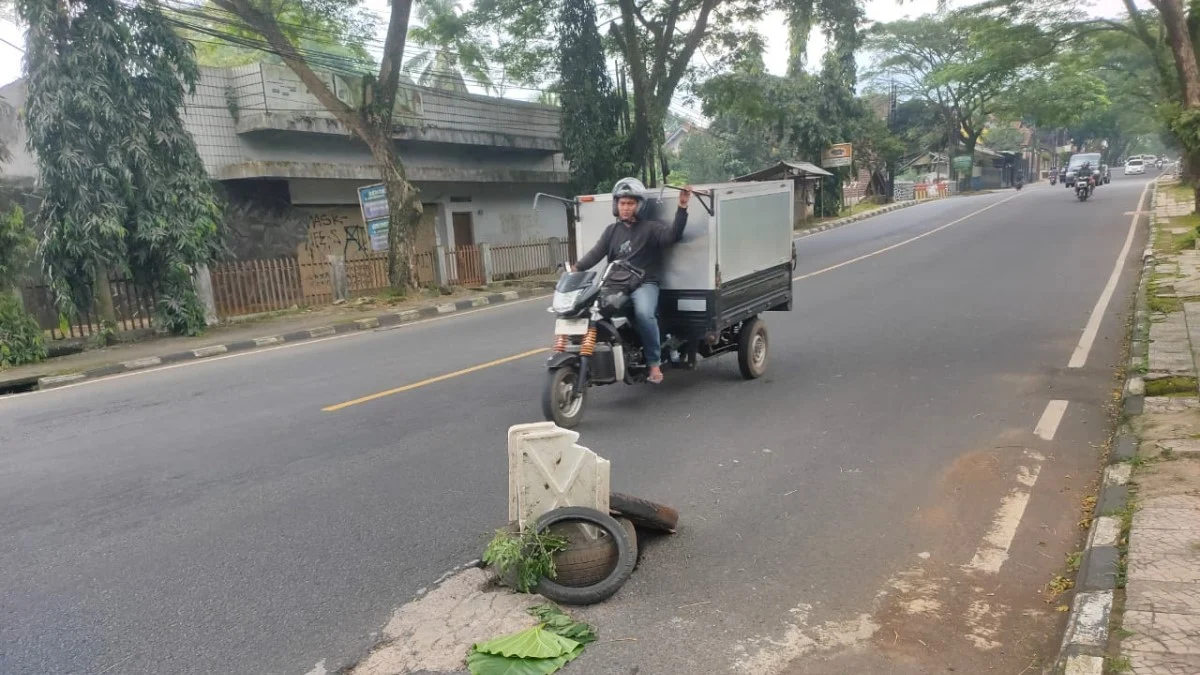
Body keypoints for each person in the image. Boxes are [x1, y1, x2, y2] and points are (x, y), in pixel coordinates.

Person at [573, 178, 693, 384]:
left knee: (644, 314)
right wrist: (574, 269)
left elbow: (673, 236)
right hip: (616, 283)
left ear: (639, 205)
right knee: (587, 310)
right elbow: (595, 254)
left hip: (644, 283)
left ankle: (654, 363)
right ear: (616, 206)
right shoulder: (611, 231)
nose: (626, 208)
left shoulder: (651, 228)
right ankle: (593, 356)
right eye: (622, 203)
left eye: (630, 203)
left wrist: (682, 207)